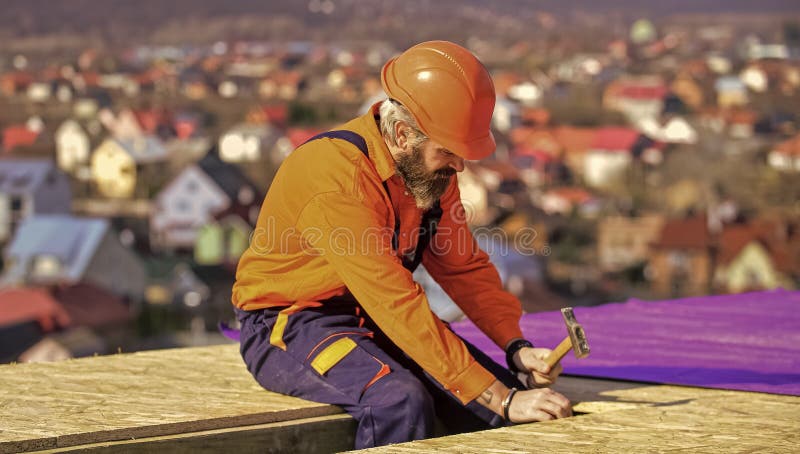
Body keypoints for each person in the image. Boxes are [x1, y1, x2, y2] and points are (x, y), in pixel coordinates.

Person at [231, 40, 572, 449]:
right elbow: (393, 301)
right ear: (402, 133)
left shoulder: (429, 174)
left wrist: (515, 347)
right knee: (398, 401)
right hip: (292, 322)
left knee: (503, 404)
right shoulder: (335, 178)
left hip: (368, 316)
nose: (460, 166)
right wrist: (500, 398)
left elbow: (463, 268)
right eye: (449, 151)